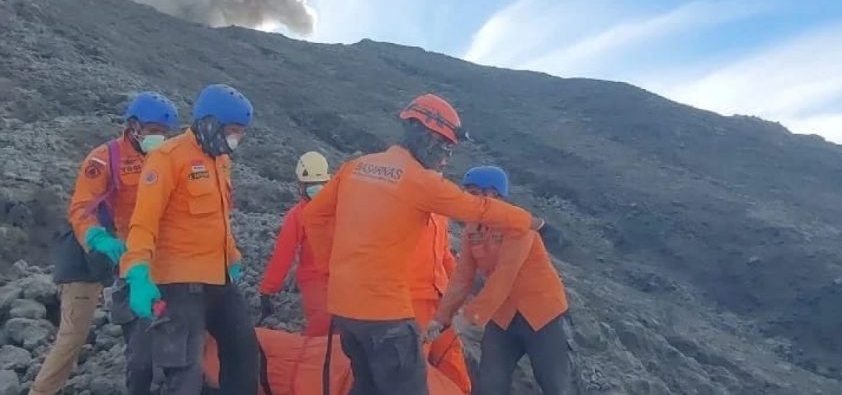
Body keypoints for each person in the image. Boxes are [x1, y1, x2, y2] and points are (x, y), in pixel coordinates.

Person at [302, 93, 555, 395]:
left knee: (367, 386)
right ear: (430, 136)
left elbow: (314, 215)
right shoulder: (419, 181)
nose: (446, 157)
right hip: (387, 318)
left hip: (345, 310)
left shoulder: (354, 167)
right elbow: (480, 209)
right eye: (446, 147)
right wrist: (534, 222)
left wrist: (332, 268)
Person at [32, 92, 179, 395]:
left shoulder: (163, 160)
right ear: (134, 126)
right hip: (88, 254)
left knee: (150, 321)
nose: (159, 138)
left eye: (164, 133)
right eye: (153, 131)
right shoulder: (104, 158)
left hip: (134, 252)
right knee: (73, 335)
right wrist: (98, 237)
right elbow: (81, 208)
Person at [120, 84, 259, 395]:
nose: (236, 139)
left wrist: (232, 257)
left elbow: (218, 218)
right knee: (184, 373)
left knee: (244, 353)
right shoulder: (167, 159)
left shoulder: (220, 161)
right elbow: (144, 222)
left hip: (218, 278)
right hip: (179, 283)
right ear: (209, 124)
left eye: (241, 132)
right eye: (233, 131)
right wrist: (138, 272)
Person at [426, 166, 578, 395]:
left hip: (542, 314)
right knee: (490, 382)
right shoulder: (472, 229)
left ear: (493, 195)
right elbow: (462, 276)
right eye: (468, 193)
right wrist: (441, 318)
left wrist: (470, 317)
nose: (469, 199)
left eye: (474, 193)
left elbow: (504, 276)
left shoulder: (519, 224)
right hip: (503, 316)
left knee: (555, 384)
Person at [258, 151, 333, 336]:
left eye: (320, 185)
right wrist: (268, 289)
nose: (317, 191)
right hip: (315, 278)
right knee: (323, 321)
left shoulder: (342, 206)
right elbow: (283, 255)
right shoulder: (297, 216)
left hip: (341, 275)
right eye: (312, 186)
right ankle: (312, 359)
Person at [410, 213, 472, 393]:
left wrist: (460, 292)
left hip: (442, 301)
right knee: (416, 363)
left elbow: (444, 256)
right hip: (415, 301)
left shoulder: (440, 215)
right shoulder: (403, 210)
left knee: (451, 356)